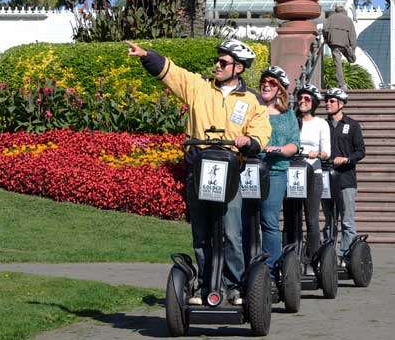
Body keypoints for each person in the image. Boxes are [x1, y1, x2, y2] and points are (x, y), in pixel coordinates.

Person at [126, 39, 271, 306]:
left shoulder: (252, 101)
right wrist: (147, 55)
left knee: (231, 231)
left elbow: (261, 131)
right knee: (201, 231)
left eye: (224, 62)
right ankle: (205, 284)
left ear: (238, 68)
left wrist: (249, 142)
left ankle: (234, 285)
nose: (217, 64)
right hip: (199, 168)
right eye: (218, 60)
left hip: (231, 172)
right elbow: (172, 73)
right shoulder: (199, 88)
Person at [252, 66, 299, 271]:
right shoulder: (252, 108)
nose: (266, 85)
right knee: (247, 220)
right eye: (264, 81)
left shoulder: (288, 115)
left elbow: (294, 145)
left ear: (280, 89)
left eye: (272, 83)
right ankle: (247, 265)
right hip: (251, 170)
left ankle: (271, 269)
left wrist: (279, 149)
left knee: (269, 220)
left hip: (276, 171)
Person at [322, 87, 365, 263]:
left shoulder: (352, 125)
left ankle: (346, 257)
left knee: (347, 221)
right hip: (326, 178)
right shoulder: (322, 125)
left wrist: (346, 159)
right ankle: (328, 257)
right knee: (329, 220)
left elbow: (360, 151)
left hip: (346, 179)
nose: (327, 104)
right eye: (327, 100)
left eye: (332, 101)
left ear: (340, 104)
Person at [295, 83, 330, 273]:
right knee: (293, 218)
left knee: (311, 219)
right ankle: (292, 257)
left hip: (313, 174)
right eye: (300, 98)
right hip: (294, 174)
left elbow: (327, 152)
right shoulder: (293, 121)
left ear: (314, 102)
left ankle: (311, 259)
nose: (302, 101)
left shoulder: (321, 124)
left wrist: (316, 154)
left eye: (307, 99)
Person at [323, 5, 357, 90]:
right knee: (351, 59)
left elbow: (324, 30)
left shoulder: (331, 18)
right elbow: (352, 35)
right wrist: (353, 48)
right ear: (344, 12)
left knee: (338, 64)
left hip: (334, 44)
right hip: (345, 44)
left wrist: (327, 40)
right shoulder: (348, 19)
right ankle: (351, 57)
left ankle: (341, 84)